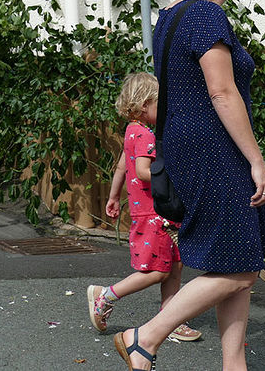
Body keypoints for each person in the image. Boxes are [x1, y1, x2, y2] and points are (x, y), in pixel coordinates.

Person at [112, 0, 265, 371]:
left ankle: (233, 365)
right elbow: (222, 93)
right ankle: (144, 336)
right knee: (243, 267)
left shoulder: (169, 16)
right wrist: (257, 161)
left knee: (236, 257)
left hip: (186, 148)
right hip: (215, 150)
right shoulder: (207, 15)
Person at [88, 72, 201, 342]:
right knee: (157, 271)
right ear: (142, 106)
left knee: (175, 266)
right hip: (153, 213)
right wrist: (174, 172)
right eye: (158, 106)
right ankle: (106, 295)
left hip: (154, 212)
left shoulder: (131, 132)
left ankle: (170, 318)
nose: (163, 112)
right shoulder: (146, 136)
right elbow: (142, 171)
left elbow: (120, 167)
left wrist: (113, 196)